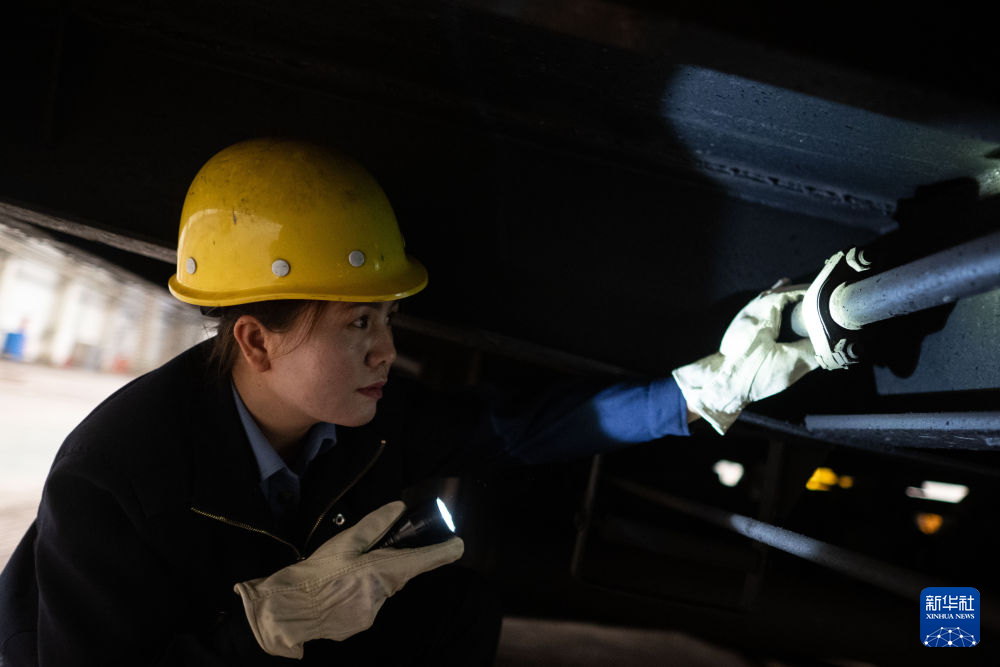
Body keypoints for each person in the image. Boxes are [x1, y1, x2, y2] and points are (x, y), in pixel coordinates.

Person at [0, 138, 819, 665]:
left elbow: (512, 432)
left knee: (454, 607)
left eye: (388, 317)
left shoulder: (371, 417)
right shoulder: (114, 479)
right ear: (256, 339)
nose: (386, 349)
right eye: (358, 323)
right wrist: (255, 633)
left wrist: (696, 390)